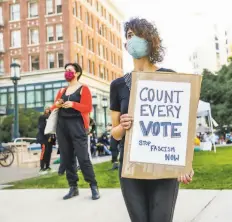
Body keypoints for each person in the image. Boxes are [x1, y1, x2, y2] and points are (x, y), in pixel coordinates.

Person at [110, 18, 194, 222]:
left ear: (150, 41)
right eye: (129, 35)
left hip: (164, 164)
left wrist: (185, 164)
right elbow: (114, 133)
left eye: (138, 35)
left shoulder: (170, 77)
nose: (133, 39)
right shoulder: (118, 85)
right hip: (130, 167)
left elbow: (182, 125)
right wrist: (123, 125)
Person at [51, 63, 100, 200]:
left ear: (77, 73)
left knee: (83, 157)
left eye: (70, 70)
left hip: (77, 125)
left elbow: (88, 107)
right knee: (67, 158)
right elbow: (54, 106)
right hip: (62, 126)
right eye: (65, 70)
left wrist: (73, 104)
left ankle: (93, 186)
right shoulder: (62, 90)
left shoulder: (83, 88)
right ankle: (73, 187)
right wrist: (58, 104)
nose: (67, 72)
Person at [36, 107, 55, 173]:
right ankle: (42, 168)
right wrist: (48, 136)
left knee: (49, 152)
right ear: (45, 110)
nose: (48, 110)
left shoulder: (52, 118)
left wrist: (52, 137)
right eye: (47, 108)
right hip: (44, 138)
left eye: (49, 109)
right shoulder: (42, 117)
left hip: (51, 137)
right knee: (44, 152)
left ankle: (47, 166)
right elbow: (41, 128)